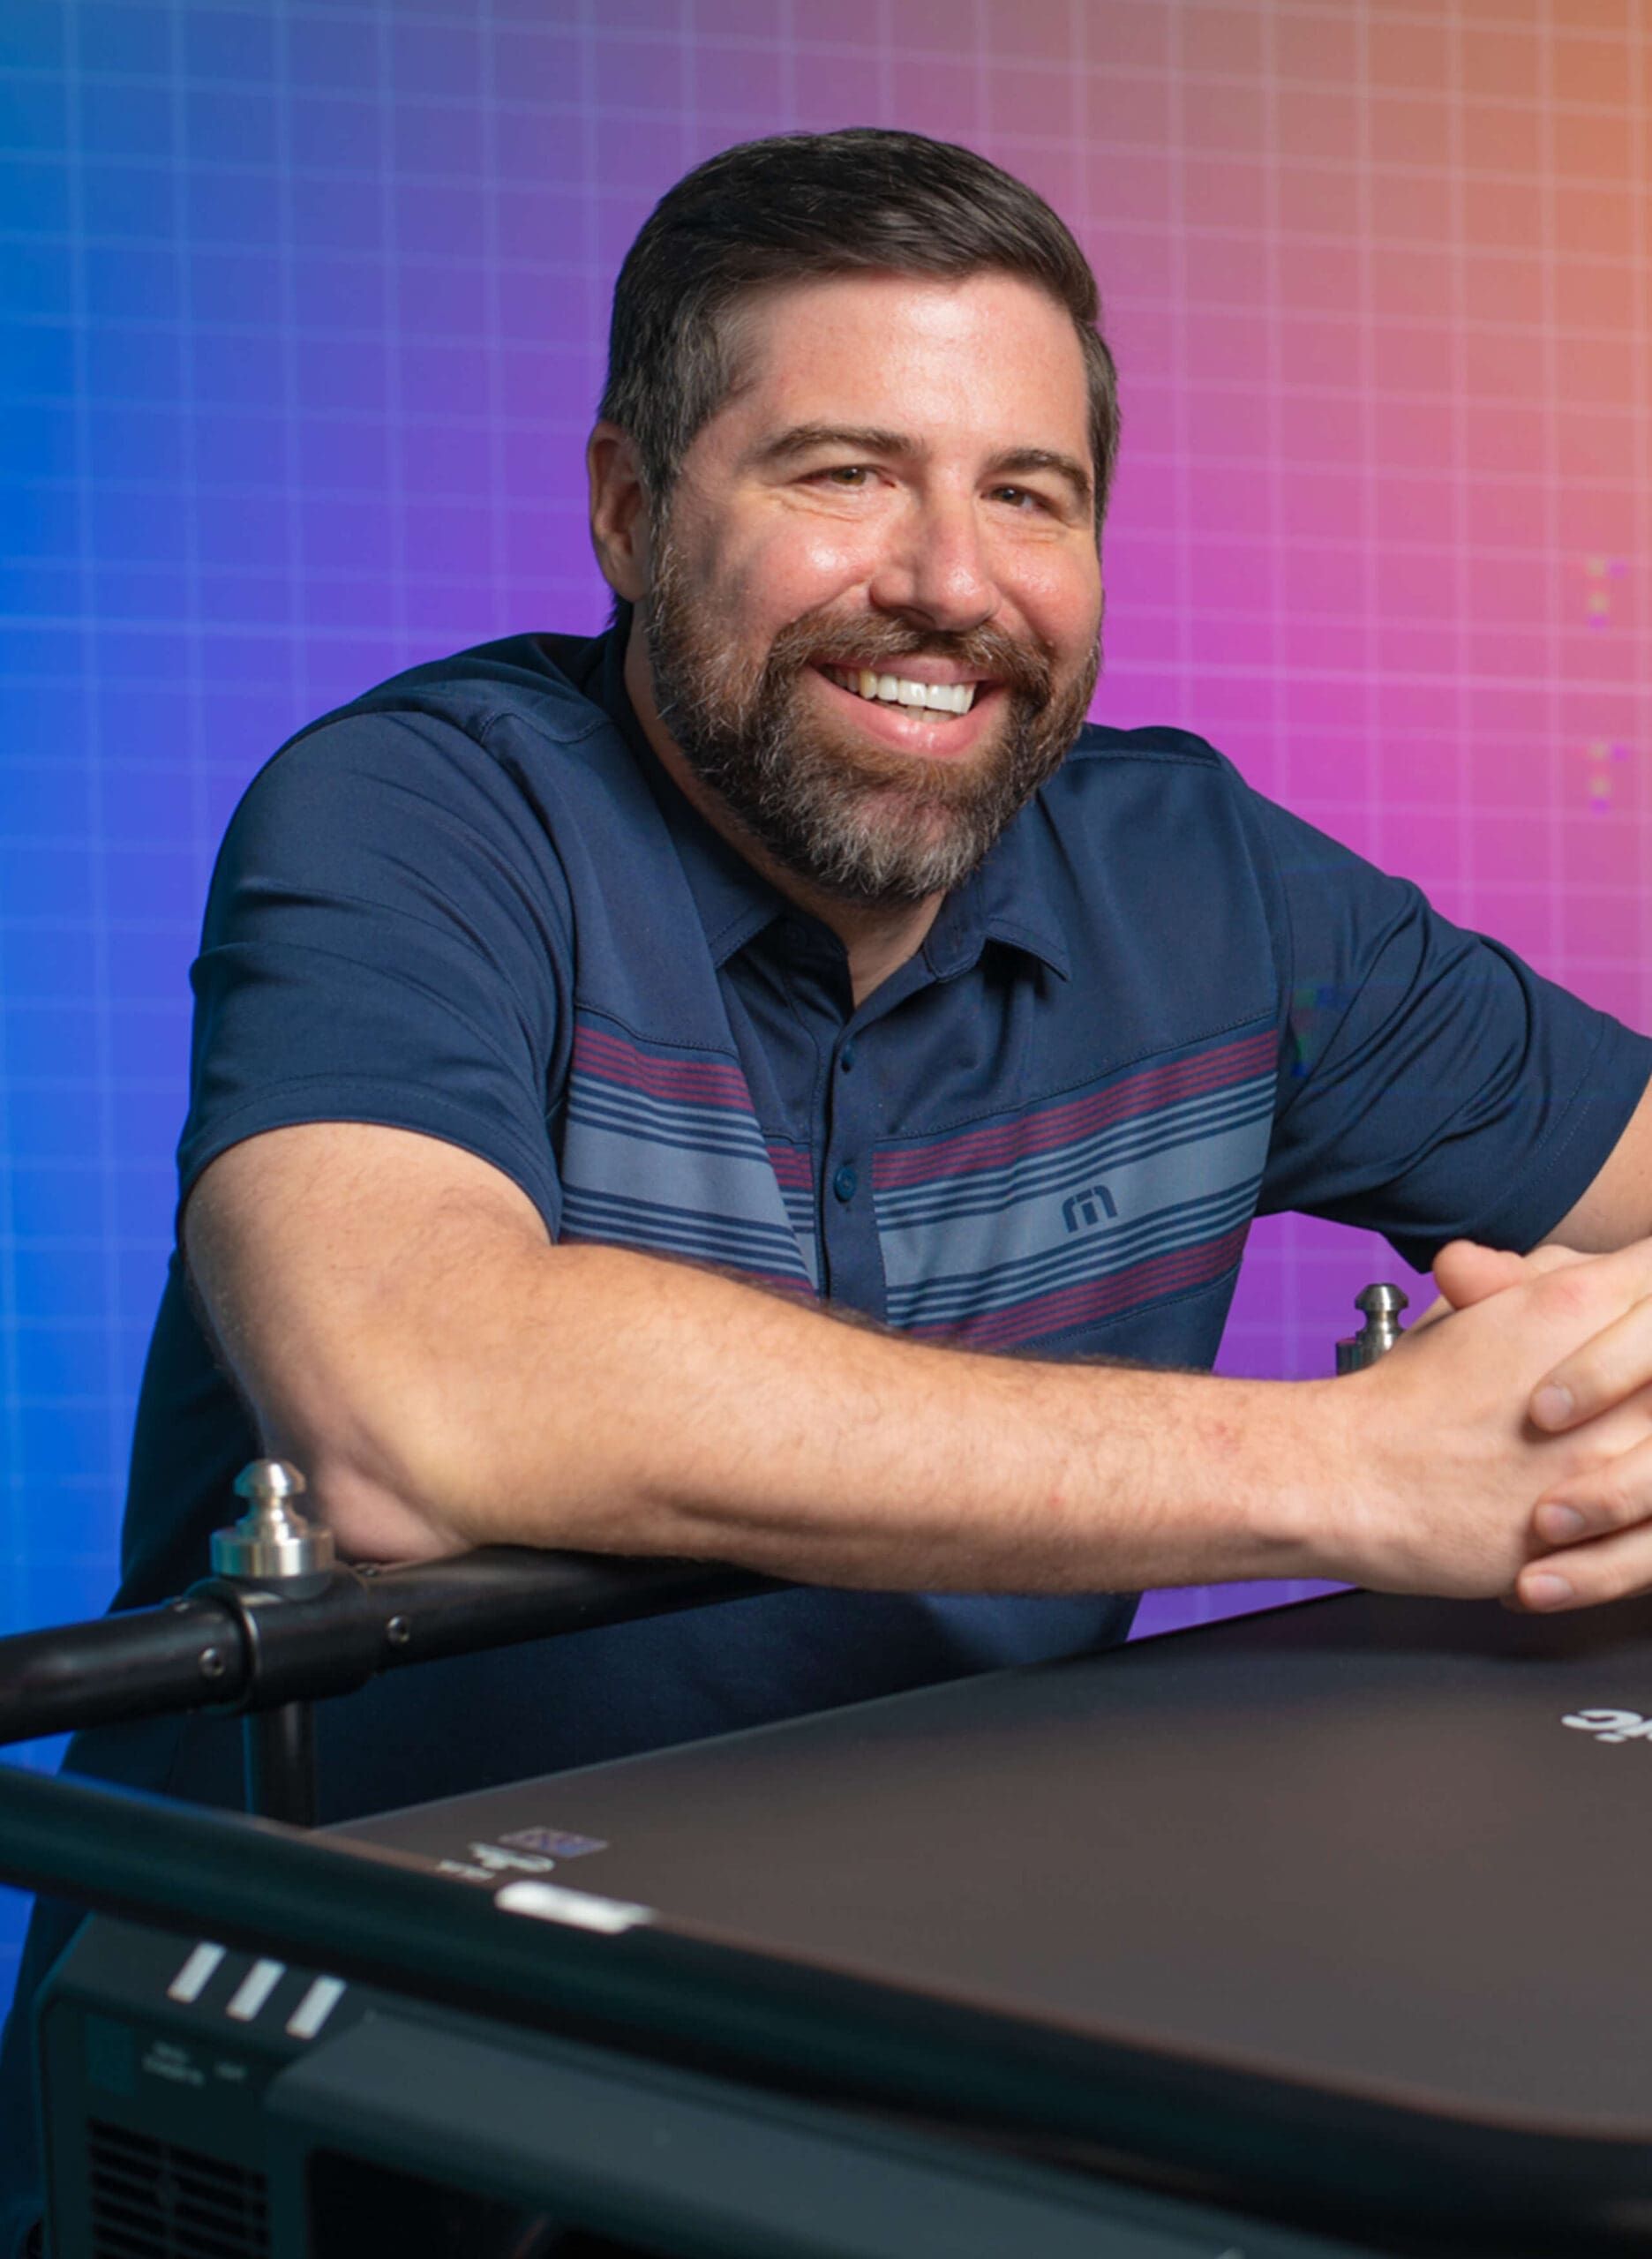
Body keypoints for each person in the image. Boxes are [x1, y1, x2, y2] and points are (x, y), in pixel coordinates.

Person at [4, 125, 1652, 2252]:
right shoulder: (419, 818)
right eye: (843, 472)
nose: (949, 583)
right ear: (627, 507)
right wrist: (1362, 1467)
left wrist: (1600, 1392)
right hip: (354, 2111)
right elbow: (417, 1400)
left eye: (1028, 496)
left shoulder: (1209, 886)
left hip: (943, 2073)